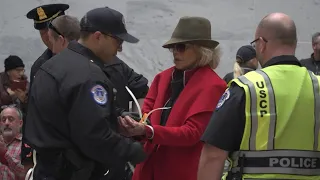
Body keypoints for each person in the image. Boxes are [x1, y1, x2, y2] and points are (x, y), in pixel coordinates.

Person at [24, 7, 146, 180]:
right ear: (98, 36)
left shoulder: (49, 66)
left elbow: (65, 116)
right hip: (74, 171)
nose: (120, 49)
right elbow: (94, 137)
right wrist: (134, 150)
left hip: (48, 169)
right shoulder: (89, 75)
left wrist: (115, 117)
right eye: (118, 41)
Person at [198, 13, 320, 180]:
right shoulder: (317, 86)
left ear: (261, 44)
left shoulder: (245, 87)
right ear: (295, 44)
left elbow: (213, 156)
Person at [118, 16, 227, 180]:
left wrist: (148, 131)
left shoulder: (213, 85)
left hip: (180, 171)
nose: (175, 51)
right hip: (148, 168)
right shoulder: (162, 77)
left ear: (201, 50)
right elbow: (146, 116)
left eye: (181, 47)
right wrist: (134, 126)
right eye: (173, 47)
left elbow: (192, 133)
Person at [26, 3, 70, 85]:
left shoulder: (85, 57)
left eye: (51, 30)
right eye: (42, 32)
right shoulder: (38, 67)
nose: (48, 36)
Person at [0, 107, 29, 180]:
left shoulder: (27, 145)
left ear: (20, 123)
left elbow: (27, 175)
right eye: (3, 120)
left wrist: (4, 155)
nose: (6, 123)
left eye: (11, 119)